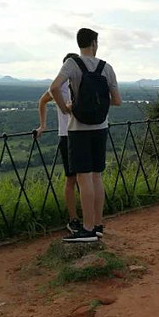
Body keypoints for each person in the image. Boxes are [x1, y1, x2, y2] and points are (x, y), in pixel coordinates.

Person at [49, 28, 122, 242]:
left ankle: (87, 228)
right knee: (97, 176)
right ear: (94, 43)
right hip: (101, 127)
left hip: (78, 129)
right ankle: (98, 224)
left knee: (83, 178)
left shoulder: (72, 64)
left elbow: (54, 88)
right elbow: (117, 100)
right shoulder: (106, 67)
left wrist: (66, 108)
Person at [35, 53, 82, 234]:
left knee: (83, 179)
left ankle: (85, 218)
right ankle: (74, 219)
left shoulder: (79, 84)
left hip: (78, 134)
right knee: (72, 179)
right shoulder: (59, 86)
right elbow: (42, 101)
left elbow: (42, 101)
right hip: (67, 136)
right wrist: (43, 125)